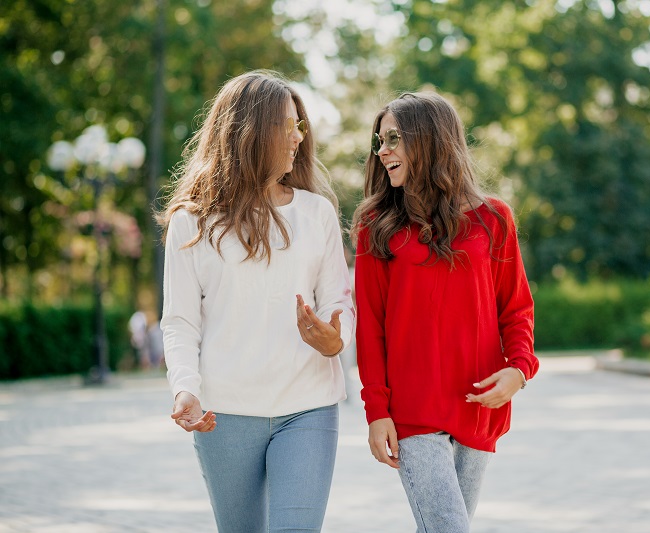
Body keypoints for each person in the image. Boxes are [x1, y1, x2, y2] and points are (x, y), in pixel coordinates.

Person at [159, 70, 354, 533]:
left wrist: (332, 342)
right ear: (249, 131)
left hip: (308, 407)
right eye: (287, 125)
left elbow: (337, 306)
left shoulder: (317, 213)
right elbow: (180, 321)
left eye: (299, 125)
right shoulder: (192, 223)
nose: (299, 138)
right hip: (223, 414)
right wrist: (185, 387)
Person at [350, 92, 538, 533]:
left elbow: (516, 308)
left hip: (479, 405)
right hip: (414, 413)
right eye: (379, 141)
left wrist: (520, 369)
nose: (383, 150)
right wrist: (376, 410)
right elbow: (371, 328)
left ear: (430, 140)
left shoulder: (494, 219)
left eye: (394, 138)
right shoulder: (376, 226)